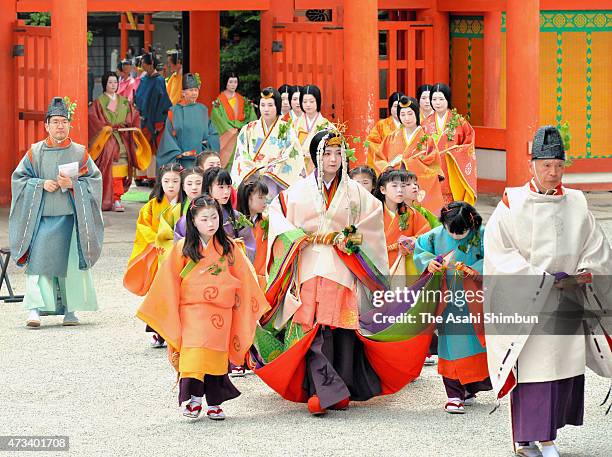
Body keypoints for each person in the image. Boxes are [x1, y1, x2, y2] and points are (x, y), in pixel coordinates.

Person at [255, 129, 432, 416]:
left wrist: (350, 237)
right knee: (312, 325)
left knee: (341, 325)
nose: (334, 159)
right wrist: (298, 237)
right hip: (309, 262)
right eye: (327, 153)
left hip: (342, 264)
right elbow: (277, 219)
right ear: (315, 156)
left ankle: (340, 387)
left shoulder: (354, 192)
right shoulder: (296, 192)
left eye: (338, 153)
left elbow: (372, 221)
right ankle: (321, 390)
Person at [483, 126, 612, 457]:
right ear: (532, 165)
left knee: (561, 370)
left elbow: (595, 244)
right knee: (534, 370)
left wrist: (587, 270)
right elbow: (499, 252)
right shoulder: (512, 203)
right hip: (530, 300)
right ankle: (526, 440)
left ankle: (549, 438)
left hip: (568, 297)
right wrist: (538, 278)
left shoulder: (577, 201)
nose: (553, 172)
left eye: (558, 165)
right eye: (545, 165)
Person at [137, 195, 270, 420]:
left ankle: (215, 402)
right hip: (192, 310)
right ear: (193, 221)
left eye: (214, 217)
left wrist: (251, 305)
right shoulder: (182, 248)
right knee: (194, 352)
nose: (211, 223)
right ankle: (194, 398)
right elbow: (167, 281)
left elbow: (245, 280)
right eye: (204, 219)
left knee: (216, 356)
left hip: (220, 311)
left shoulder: (229, 248)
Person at [9, 97, 104, 328]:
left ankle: (70, 310)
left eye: (64, 121)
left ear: (70, 125)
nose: (60, 126)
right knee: (39, 263)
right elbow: (18, 178)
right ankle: (34, 310)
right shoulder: (35, 152)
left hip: (71, 218)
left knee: (71, 266)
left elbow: (95, 180)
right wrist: (40, 183)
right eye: (55, 122)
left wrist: (74, 185)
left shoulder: (80, 153)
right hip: (43, 217)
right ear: (46, 125)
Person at [413, 202, 490, 414]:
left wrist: (476, 269)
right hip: (448, 296)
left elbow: (494, 257)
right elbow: (420, 251)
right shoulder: (433, 236)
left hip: (474, 295)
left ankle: (469, 388)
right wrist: (429, 263)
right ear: (444, 224)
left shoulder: (481, 234)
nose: (457, 236)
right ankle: (454, 395)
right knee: (451, 343)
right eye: (451, 231)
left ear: (471, 222)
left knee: (478, 341)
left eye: (462, 231)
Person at [88, 71, 152, 212]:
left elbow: (134, 116)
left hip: (122, 139)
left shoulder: (124, 102)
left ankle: (117, 198)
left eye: (115, 82)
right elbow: (93, 119)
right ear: (105, 84)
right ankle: (111, 198)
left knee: (121, 169)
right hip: (106, 140)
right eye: (110, 82)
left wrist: (130, 126)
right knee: (108, 168)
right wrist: (105, 129)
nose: (113, 85)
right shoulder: (99, 102)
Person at [231, 87, 304, 200]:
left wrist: (269, 173)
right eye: (263, 105)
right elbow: (241, 153)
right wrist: (253, 171)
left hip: (274, 183)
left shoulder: (287, 130)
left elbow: (291, 156)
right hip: (251, 181)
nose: (266, 109)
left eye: (270, 105)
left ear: (277, 106)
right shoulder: (249, 129)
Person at [375, 95, 444, 216]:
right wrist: (390, 166)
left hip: (416, 186)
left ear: (416, 114)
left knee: (419, 218)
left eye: (410, 113)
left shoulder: (427, 140)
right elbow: (379, 159)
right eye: (403, 114)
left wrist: (406, 162)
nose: (406, 118)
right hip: (395, 185)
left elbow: (433, 166)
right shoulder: (391, 138)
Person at [421, 83, 476, 205]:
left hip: (453, 172)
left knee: (452, 209)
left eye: (441, 99)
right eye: (434, 99)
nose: (437, 103)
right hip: (433, 172)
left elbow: (469, 144)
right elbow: (420, 148)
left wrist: (455, 153)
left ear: (448, 99)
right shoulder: (425, 124)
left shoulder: (459, 122)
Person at [374, 170, 430, 287]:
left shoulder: (411, 213)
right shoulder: (372, 212)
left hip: (403, 263)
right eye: (394, 186)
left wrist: (411, 241)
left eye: (403, 186)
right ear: (383, 189)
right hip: (376, 263)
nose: (400, 190)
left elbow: (425, 235)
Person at [157, 73, 220, 169]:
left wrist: (207, 146)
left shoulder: (203, 109)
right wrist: (176, 152)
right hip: (182, 159)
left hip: (201, 159)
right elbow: (168, 136)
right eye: (191, 90)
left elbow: (212, 132)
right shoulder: (174, 111)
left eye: (196, 90)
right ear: (183, 93)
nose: (194, 93)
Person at [134, 52, 172, 184]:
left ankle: (152, 176)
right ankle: (140, 175)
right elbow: (138, 96)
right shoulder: (144, 79)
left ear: (150, 64)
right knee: (141, 146)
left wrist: (158, 121)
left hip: (155, 119)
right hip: (143, 118)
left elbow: (163, 102)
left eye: (144, 63)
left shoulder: (159, 80)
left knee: (153, 148)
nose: (142, 65)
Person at [210, 72, 257, 168]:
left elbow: (251, 118)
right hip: (228, 136)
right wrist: (232, 130)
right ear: (226, 83)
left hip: (241, 135)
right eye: (230, 82)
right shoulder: (218, 102)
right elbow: (218, 119)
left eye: (235, 82)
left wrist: (242, 127)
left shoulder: (244, 101)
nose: (233, 84)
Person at [236, 175, 269, 288]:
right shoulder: (234, 222)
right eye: (260, 197)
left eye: (265, 198)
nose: (264, 202)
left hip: (261, 278)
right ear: (247, 196)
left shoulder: (266, 222)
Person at [293, 84, 332, 174]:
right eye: (305, 101)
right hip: (298, 167)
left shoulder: (327, 126)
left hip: (318, 167)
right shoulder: (294, 124)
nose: (308, 105)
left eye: (311, 101)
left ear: (317, 102)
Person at [366, 92, 403, 169]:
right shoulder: (381, 125)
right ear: (390, 107)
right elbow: (373, 144)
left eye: (401, 106)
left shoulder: (410, 125)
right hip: (386, 164)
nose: (398, 109)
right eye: (395, 106)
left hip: (404, 164)